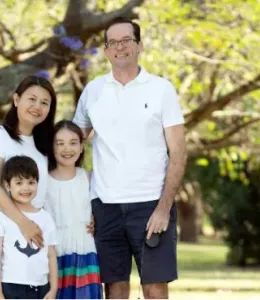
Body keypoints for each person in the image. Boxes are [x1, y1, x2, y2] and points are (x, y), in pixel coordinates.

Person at [73, 17, 187, 299]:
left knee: (155, 290)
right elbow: (70, 147)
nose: (120, 47)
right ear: (106, 49)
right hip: (106, 207)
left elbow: (179, 152)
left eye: (127, 40)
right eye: (113, 42)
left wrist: (163, 207)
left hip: (151, 205)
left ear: (139, 45)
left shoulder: (161, 89)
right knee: (115, 289)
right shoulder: (93, 92)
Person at [0, 75, 57, 299]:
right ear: (16, 99)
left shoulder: (42, 145)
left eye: (45, 102)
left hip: (36, 229)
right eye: (32, 99)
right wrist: (24, 223)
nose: (37, 107)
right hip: (4, 228)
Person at [44, 120, 103, 299]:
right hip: (55, 253)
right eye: (60, 143)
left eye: (73, 142)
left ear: (81, 147)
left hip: (85, 249)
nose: (67, 149)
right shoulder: (43, 182)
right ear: (52, 148)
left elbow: (101, 208)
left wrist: (96, 219)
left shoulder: (89, 177)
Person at [0, 156, 58, 299]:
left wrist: (53, 289)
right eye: (19, 183)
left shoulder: (46, 218)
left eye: (31, 182)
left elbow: (51, 256)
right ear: (7, 186)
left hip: (41, 287)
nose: (25, 188)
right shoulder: (1, 218)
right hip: (10, 286)